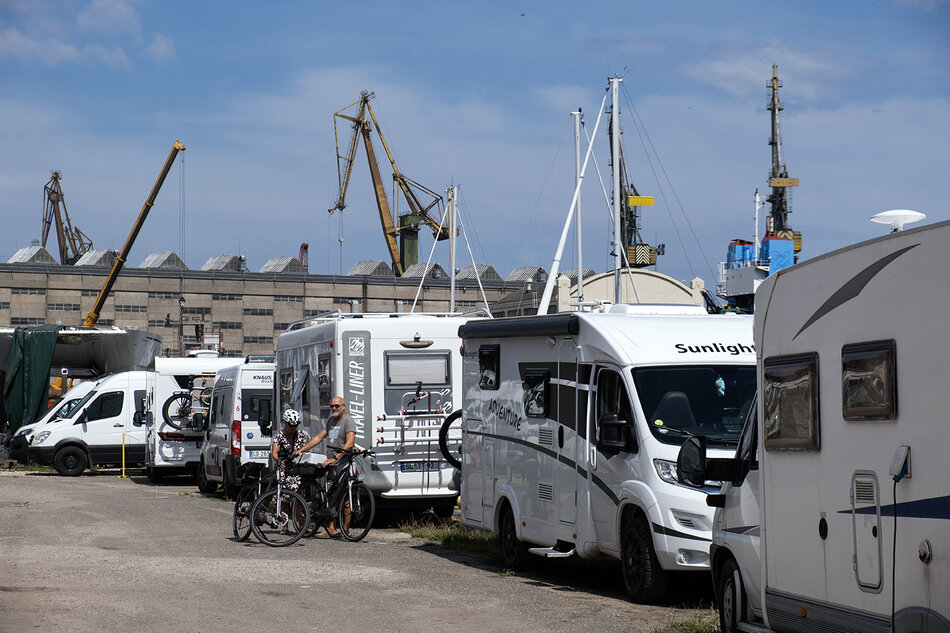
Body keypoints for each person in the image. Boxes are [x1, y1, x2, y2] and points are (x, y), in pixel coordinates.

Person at [294, 396, 356, 537]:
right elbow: (319, 437)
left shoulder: (348, 421)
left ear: (343, 406)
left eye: (337, 406)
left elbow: (349, 443)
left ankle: (346, 531)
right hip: (332, 464)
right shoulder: (331, 420)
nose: (334, 408)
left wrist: (335, 457)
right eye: (332, 406)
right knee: (330, 496)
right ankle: (331, 528)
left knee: (346, 498)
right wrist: (302, 449)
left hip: (343, 463)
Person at [271, 408, 311, 492]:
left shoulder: (301, 435)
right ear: (285, 423)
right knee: (283, 493)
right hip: (284, 467)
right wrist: (278, 460)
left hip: (297, 467)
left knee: (301, 491)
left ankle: (299, 504)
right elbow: (274, 452)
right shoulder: (279, 436)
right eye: (291, 425)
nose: (293, 428)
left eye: (295, 425)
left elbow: (306, 449)